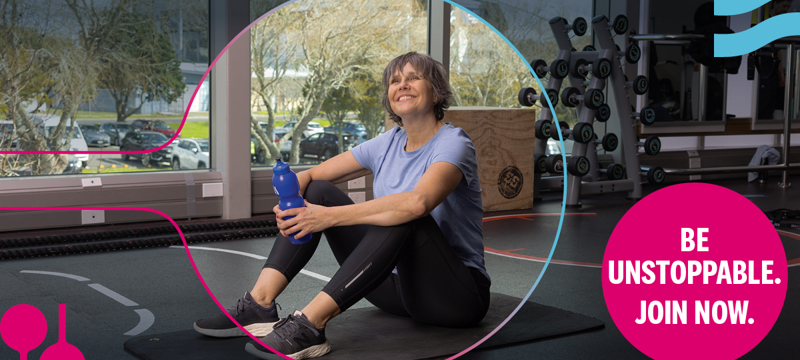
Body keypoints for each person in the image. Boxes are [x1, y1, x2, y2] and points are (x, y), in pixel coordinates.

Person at [193, 52, 490, 359]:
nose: (403, 85)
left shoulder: (453, 143)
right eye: (395, 80)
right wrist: (290, 204)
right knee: (320, 190)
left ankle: (310, 324)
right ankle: (259, 304)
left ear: (436, 90)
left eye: (414, 77)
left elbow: (417, 204)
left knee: (404, 214)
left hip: (456, 297)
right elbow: (312, 176)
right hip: (399, 292)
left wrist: (326, 218)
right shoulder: (388, 142)